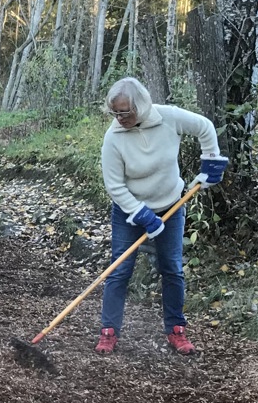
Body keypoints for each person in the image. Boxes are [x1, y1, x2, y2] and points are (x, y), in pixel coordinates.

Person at [97, 76, 227, 355]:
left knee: (172, 269)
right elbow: (114, 186)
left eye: (125, 112)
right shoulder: (113, 138)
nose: (120, 118)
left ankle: (176, 330)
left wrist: (211, 160)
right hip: (129, 211)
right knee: (119, 270)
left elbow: (205, 127)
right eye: (115, 112)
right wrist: (141, 214)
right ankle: (109, 331)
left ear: (141, 105)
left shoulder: (169, 118)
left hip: (170, 206)